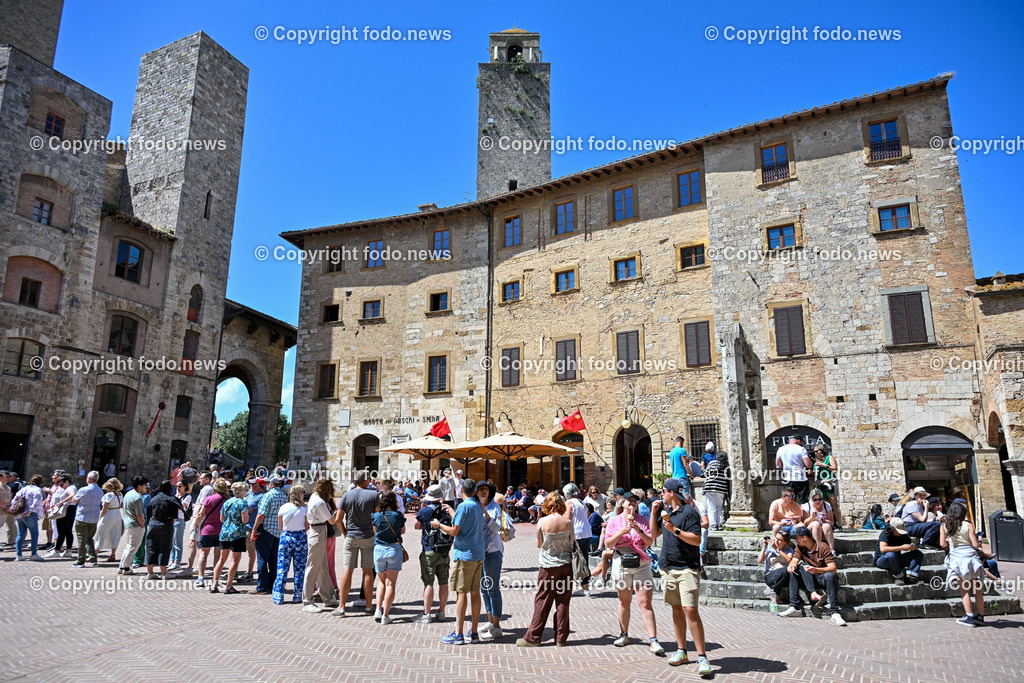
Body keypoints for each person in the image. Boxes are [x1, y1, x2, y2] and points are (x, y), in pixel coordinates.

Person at [650, 479, 711, 674]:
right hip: (668, 568)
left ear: (671, 493)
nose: (661, 494)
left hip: (687, 568)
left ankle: (702, 657)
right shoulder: (665, 512)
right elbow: (654, 534)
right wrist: (653, 512)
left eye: (663, 491)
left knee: (690, 609)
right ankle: (681, 651)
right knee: (676, 609)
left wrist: (674, 530)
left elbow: (697, 540)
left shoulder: (689, 512)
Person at [601, 492, 664, 656]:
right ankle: (624, 635)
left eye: (634, 502)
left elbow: (649, 542)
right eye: (629, 501)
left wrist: (639, 530)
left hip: (641, 562)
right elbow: (608, 543)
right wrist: (621, 532)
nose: (632, 504)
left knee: (645, 602)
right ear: (622, 504)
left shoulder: (642, 520)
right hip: (622, 562)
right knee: (624, 601)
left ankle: (653, 640)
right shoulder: (615, 521)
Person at [516, 491, 574, 648]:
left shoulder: (542, 521)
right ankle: (561, 638)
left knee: (542, 600)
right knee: (563, 601)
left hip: (548, 566)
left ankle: (533, 637)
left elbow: (539, 544)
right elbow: (572, 542)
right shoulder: (568, 522)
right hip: (566, 564)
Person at [435, 478, 485, 645]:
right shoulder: (477, 506)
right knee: (475, 592)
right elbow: (463, 523)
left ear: (461, 491)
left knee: (461, 593)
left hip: (465, 555)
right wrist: (451, 511)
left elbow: (455, 531)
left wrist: (438, 525)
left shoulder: (464, 506)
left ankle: (458, 634)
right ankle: (474, 632)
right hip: (478, 554)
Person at [334, 470, 379, 616]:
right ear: (366, 481)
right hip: (368, 536)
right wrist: (374, 532)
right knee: (368, 571)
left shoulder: (347, 495)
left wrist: (345, 532)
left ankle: (341, 607)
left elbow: (338, 519)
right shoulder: (374, 495)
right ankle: (368, 606)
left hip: (351, 535)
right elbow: (377, 517)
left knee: (347, 570)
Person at [780, 526, 846, 626]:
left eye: (797, 537)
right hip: (809, 578)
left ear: (805, 537)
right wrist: (791, 566)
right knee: (796, 570)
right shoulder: (800, 547)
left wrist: (816, 570)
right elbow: (794, 560)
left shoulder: (823, 547)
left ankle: (835, 612)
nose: (796, 540)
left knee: (830, 576)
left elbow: (833, 568)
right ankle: (794, 607)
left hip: (822, 578)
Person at [940, 501, 986, 627]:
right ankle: (980, 616)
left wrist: (950, 540)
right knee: (977, 588)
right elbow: (975, 545)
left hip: (957, 558)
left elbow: (943, 544)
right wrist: (979, 542)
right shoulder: (968, 525)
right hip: (971, 558)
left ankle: (969, 616)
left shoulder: (945, 526)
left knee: (964, 589)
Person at [414, 484, 453, 623]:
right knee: (444, 582)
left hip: (429, 549)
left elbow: (417, 526)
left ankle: (427, 613)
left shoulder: (425, 510)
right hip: (444, 549)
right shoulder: (447, 509)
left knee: (429, 582)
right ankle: (441, 612)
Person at [478, 481, 511, 639]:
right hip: (479, 551)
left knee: (492, 588)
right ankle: (491, 621)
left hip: (493, 551)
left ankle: (497, 626)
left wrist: (485, 511)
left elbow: (496, 528)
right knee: (484, 588)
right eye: (480, 489)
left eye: (486, 489)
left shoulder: (495, 507)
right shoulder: (473, 506)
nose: (483, 492)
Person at [303, 479, 340, 612]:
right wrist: (337, 514)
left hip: (319, 530)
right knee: (313, 567)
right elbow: (331, 521)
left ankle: (328, 597)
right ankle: (307, 601)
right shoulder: (319, 502)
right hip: (318, 531)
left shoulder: (315, 497)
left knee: (322, 566)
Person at [370, 491, 405, 624]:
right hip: (394, 549)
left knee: (381, 581)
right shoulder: (398, 515)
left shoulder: (377, 515)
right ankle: (385, 615)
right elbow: (403, 531)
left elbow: (375, 531)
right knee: (391, 583)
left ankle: (378, 609)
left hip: (379, 549)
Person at [251, 474, 288, 595]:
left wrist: (254, 529)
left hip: (266, 530)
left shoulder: (268, 496)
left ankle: (262, 586)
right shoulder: (284, 496)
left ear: (271, 484)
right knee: (274, 560)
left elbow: (261, 514)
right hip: (278, 531)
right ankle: (272, 585)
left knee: (262, 559)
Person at [211, 481, 249, 593]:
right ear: (241, 491)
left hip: (225, 532)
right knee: (234, 560)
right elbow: (245, 520)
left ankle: (214, 584)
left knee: (222, 559)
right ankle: (229, 586)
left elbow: (221, 518)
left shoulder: (227, 502)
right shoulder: (243, 503)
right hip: (237, 533)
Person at [274, 484, 308, 604]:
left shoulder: (283, 507)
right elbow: (307, 526)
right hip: (300, 538)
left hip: (286, 537)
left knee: (282, 567)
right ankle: (297, 595)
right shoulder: (304, 508)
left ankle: (278, 595)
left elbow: (281, 526)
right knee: (299, 568)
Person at [193, 478, 229, 587]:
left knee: (203, 554)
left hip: (207, 529)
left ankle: (201, 577)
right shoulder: (228, 500)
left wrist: (196, 524)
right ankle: (215, 577)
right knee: (217, 555)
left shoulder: (209, 499)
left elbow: (201, 514)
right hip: (221, 530)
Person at [146, 480, 183, 581]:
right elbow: (174, 517)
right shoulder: (172, 499)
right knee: (164, 548)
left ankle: (150, 572)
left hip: (153, 524)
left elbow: (149, 514)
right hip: (166, 524)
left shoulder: (154, 499)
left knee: (150, 547)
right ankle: (163, 572)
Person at [562, 483, 592, 597]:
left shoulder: (569, 503)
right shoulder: (581, 502)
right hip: (586, 532)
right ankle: (585, 588)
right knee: (584, 559)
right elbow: (587, 515)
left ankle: (568, 588)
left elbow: (567, 520)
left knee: (571, 561)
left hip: (576, 534)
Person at [874, 516, 923, 585]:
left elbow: (911, 544)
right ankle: (899, 576)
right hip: (883, 559)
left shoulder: (903, 535)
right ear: (892, 529)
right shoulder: (885, 534)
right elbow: (883, 549)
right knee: (890, 555)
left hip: (896, 559)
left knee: (918, 554)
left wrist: (913, 547)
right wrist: (901, 548)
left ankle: (911, 576)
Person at [71, 470, 103, 568]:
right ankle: (93, 559)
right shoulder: (100, 490)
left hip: (82, 516)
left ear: (88, 479)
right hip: (94, 517)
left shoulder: (84, 489)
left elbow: (74, 500)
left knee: (81, 539)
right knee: (89, 538)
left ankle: (81, 560)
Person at [11, 474, 45, 560]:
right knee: (34, 534)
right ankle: (34, 554)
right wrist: (30, 511)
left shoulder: (24, 489)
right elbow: (36, 501)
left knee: (20, 534)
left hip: (20, 514)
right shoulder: (37, 490)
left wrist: (15, 510)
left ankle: (19, 555)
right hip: (30, 513)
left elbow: (14, 499)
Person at [118, 476, 148, 575]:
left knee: (129, 546)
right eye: (144, 485)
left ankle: (122, 566)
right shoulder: (137, 497)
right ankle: (126, 567)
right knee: (133, 547)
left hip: (128, 523)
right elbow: (139, 514)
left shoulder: (128, 494)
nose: (145, 487)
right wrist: (142, 525)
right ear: (139, 486)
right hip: (135, 524)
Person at [811, 445, 843, 528]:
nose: (816, 453)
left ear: (822, 450)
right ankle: (828, 523)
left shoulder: (829, 458)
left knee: (834, 505)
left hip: (829, 482)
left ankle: (839, 524)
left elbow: (834, 468)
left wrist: (824, 465)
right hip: (820, 484)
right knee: (824, 505)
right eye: (814, 452)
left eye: (817, 451)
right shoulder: (816, 461)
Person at [241, 477, 266, 582]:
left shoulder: (260, 496)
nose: (251, 486)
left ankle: (249, 573)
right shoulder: (251, 494)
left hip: (251, 528)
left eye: (253, 485)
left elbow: (248, 509)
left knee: (251, 552)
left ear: (259, 486)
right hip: (245, 526)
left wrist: (244, 503)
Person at [759, 528, 795, 601]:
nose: (776, 541)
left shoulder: (789, 550)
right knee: (785, 571)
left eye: (779, 540)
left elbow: (789, 560)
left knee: (787, 570)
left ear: (785, 542)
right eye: (776, 538)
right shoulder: (770, 548)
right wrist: (764, 547)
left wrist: (777, 549)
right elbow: (760, 560)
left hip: (783, 575)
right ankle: (775, 593)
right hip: (770, 574)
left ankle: (774, 592)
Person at [94, 477, 123, 562]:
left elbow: (105, 508)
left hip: (109, 514)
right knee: (115, 534)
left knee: (101, 533)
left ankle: (95, 554)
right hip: (117, 514)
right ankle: (113, 554)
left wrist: (100, 517)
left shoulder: (108, 495)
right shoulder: (120, 494)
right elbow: (119, 506)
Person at [49, 474, 77, 558]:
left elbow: (72, 495)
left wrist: (61, 502)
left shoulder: (70, 488)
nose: (61, 486)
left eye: (62, 484)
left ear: (67, 482)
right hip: (70, 509)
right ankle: (68, 550)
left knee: (61, 531)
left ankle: (57, 550)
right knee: (68, 530)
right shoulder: (70, 487)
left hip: (66, 509)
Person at [702, 451, 729, 531]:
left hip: (710, 487)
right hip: (721, 488)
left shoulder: (712, 463)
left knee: (711, 506)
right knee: (719, 506)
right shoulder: (726, 465)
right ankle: (719, 524)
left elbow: (706, 473)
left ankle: (713, 524)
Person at [169, 480, 193, 570]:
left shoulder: (188, 496)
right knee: (171, 541)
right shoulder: (175, 496)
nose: (178, 488)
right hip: (172, 519)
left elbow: (180, 507)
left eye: (180, 486)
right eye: (177, 486)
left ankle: (177, 561)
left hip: (180, 519)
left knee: (177, 542)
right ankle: (172, 560)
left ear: (185, 486)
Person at [0, 471, 16, 548]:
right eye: (6, 476)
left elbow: (9, 499)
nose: (8, 478)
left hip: (6, 510)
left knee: (10, 525)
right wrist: (5, 507)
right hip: (2, 509)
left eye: (9, 476)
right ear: (1, 478)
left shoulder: (8, 488)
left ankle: (11, 541)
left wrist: (9, 507)